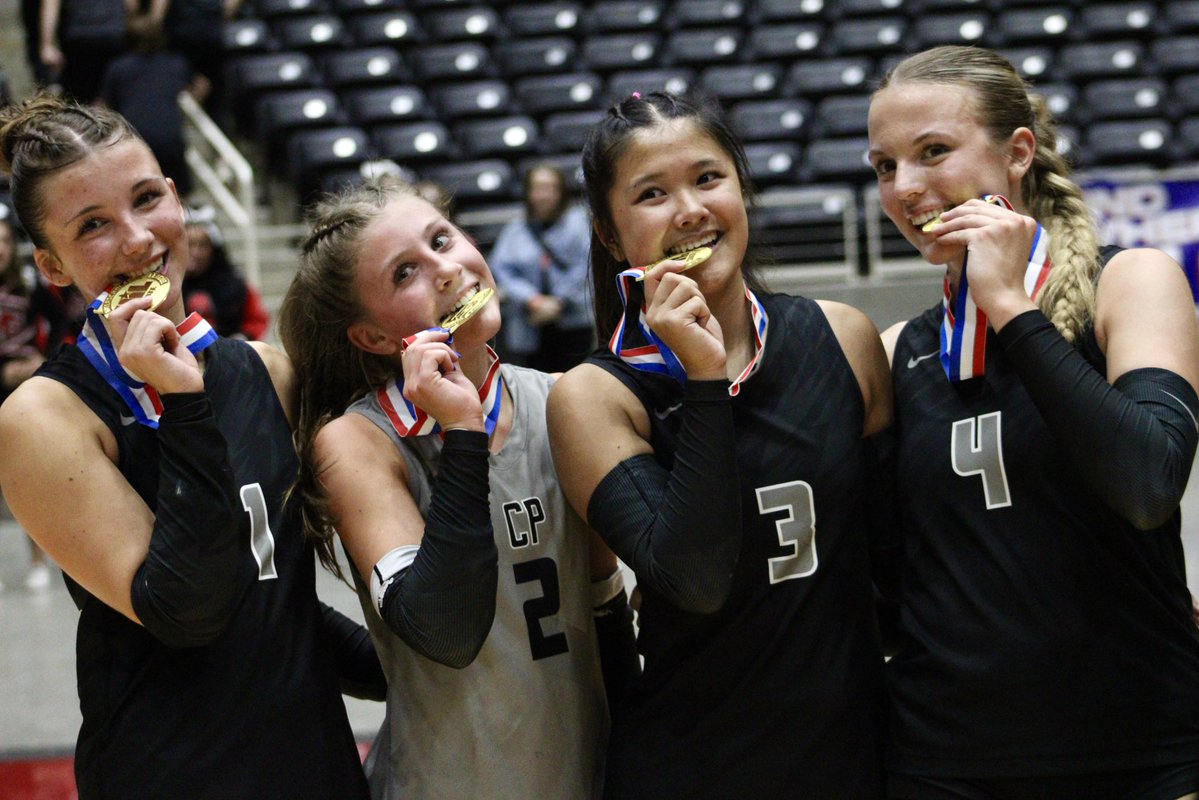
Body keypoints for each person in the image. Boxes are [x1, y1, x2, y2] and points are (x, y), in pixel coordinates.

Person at [0, 93, 382, 798]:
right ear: (52, 267)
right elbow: (189, 608)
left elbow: (277, 603)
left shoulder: (265, 370)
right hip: (171, 774)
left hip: (314, 766)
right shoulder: (43, 416)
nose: (139, 239)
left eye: (147, 199)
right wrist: (183, 404)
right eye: (92, 226)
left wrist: (414, 663)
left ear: (178, 198)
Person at [866, 45, 1199, 799]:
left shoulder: (1132, 282)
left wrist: (1011, 308)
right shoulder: (895, 353)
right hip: (943, 762)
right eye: (884, 166)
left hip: (1136, 750)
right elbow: (882, 573)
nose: (906, 188)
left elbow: (1147, 483)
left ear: (1017, 153)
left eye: (932, 152)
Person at [547, 90, 894, 798]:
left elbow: (905, 558)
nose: (689, 210)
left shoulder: (843, 337)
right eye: (651, 193)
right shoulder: (593, 396)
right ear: (611, 236)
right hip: (696, 767)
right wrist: (705, 380)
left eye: (708, 178)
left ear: (741, 187)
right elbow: (693, 581)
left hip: (854, 759)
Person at [277, 175, 637, 799]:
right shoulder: (357, 442)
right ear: (375, 338)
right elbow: (446, 630)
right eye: (404, 273)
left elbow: (606, 598)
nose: (446, 270)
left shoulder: (563, 401)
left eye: (442, 239)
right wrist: (463, 430)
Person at [0, 212, 65, 591]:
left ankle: (40, 556)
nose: (0, 249)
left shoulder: (28, 282)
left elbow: (60, 322)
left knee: (29, 472)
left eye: (6, 241)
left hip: (25, 385)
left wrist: (42, 361)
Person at [490, 161, 595, 372]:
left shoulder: (579, 223)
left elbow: (587, 264)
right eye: (538, 188)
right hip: (531, 323)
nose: (544, 194)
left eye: (550, 188)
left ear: (561, 191)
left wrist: (559, 302)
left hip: (573, 321)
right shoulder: (515, 230)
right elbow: (501, 270)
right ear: (528, 192)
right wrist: (533, 299)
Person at [98, 13, 209, 200]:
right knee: (180, 198)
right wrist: (185, 108)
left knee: (139, 198)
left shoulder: (118, 68)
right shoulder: (175, 63)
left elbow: (102, 107)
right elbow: (202, 85)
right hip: (170, 139)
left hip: (136, 142)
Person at [182, 209, 270, 340]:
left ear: (214, 249)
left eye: (202, 245)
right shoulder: (168, 285)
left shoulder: (236, 284)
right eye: (189, 245)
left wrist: (242, 338)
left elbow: (257, 320)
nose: (195, 252)